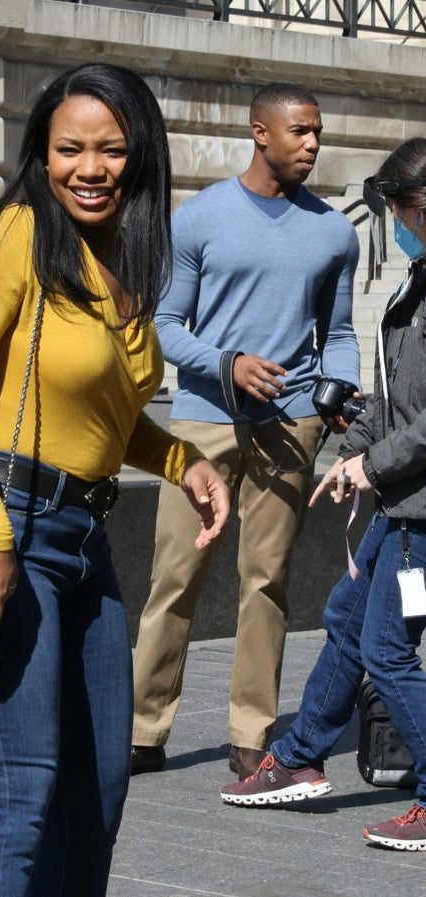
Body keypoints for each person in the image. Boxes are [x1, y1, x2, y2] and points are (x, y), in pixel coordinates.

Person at [0, 63, 230, 897]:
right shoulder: (18, 233)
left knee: (97, 793)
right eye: (69, 149)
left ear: (141, 155)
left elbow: (108, 416)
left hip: (82, 541)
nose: (89, 169)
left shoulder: (124, 258)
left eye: (111, 149)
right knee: (15, 796)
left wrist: (183, 461)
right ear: (42, 154)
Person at [131, 82, 360, 779]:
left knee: (267, 580)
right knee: (176, 575)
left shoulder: (335, 232)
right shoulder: (201, 217)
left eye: (317, 132)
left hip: (291, 423)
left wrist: (337, 389)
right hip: (204, 418)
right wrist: (226, 364)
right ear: (260, 132)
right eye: (300, 131)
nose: (312, 144)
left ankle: (251, 730)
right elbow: (165, 325)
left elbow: (338, 332)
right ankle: (143, 728)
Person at [220, 137, 426, 850]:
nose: (394, 227)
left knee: (388, 650)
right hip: (403, 499)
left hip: (420, 510)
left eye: (397, 212)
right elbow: (398, 400)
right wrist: (355, 450)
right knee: (346, 616)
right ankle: (300, 757)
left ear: (418, 209)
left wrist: (376, 466)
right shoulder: (417, 282)